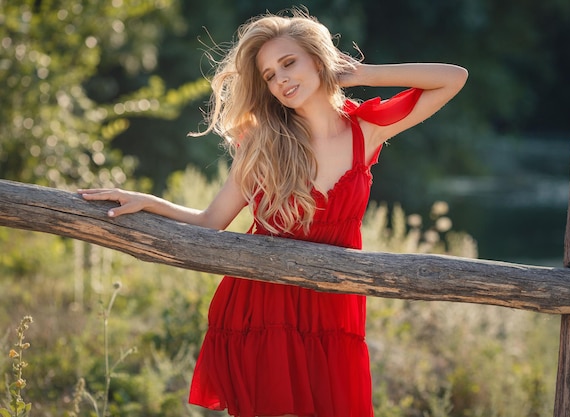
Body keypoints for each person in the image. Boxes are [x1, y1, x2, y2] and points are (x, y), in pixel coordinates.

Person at [79, 8, 467, 417]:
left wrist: (358, 74)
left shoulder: (366, 130)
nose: (280, 79)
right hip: (263, 307)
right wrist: (147, 201)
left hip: (334, 311)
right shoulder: (263, 142)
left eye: (288, 63)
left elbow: (453, 78)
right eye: (268, 75)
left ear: (318, 60)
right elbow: (211, 221)